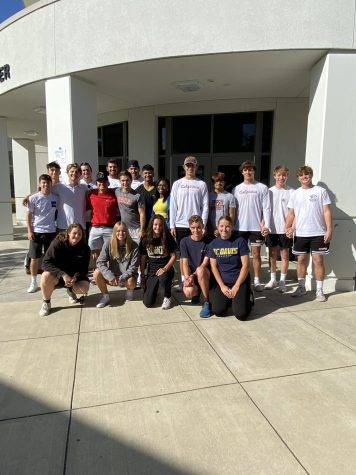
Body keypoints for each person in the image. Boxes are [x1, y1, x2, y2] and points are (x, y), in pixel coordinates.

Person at [285, 165, 333, 301]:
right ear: (298, 177)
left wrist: (329, 229)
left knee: (318, 260)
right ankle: (301, 287)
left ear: (311, 175)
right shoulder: (295, 194)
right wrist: (288, 228)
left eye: (306, 174)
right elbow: (291, 213)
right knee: (301, 260)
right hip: (300, 233)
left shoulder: (321, 191)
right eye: (301, 175)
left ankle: (319, 290)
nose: (304, 177)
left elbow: (327, 211)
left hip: (318, 232)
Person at [232, 160, 271, 291]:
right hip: (240, 227)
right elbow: (233, 209)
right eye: (245, 170)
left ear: (254, 171)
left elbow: (266, 208)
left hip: (256, 227)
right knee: (240, 256)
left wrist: (266, 225)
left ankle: (257, 281)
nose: (248, 172)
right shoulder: (236, 189)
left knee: (256, 255)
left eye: (250, 169)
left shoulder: (262, 188)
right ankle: (240, 280)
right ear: (242, 172)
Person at [39, 223, 90, 317]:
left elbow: (84, 269)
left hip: (73, 278)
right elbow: (45, 263)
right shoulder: (57, 243)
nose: (77, 236)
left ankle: (71, 292)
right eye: (74, 233)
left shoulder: (85, 248)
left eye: (80, 234)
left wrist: (75, 277)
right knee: (45, 276)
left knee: (84, 287)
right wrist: (62, 274)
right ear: (68, 233)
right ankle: (46, 303)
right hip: (57, 276)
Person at [208, 216, 253, 320]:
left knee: (241, 315)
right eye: (221, 226)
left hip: (240, 281)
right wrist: (222, 286)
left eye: (227, 226)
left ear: (232, 227)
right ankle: (230, 300)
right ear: (217, 227)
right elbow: (214, 267)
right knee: (218, 311)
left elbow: (246, 266)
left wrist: (237, 286)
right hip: (224, 282)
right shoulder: (213, 244)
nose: (224, 229)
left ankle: (249, 298)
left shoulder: (240, 241)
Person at [94, 222, 139, 308]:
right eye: (118, 231)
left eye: (124, 231)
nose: (121, 233)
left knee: (131, 282)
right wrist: (109, 275)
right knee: (96, 273)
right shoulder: (108, 244)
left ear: (127, 232)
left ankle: (129, 291)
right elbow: (100, 262)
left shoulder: (134, 245)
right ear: (114, 232)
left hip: (127, 277)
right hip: (112, 277)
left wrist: (123, 277)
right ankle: (105, 297)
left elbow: (134, 266)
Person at [264, 165, 294, 292]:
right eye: (279, 175)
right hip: (271, 228)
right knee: (271, 254)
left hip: (284, 229)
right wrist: (264, 225)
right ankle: (272, 279)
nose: (281, 177)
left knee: (284, 254)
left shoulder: (292, 192)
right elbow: (264, 210)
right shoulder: (269, 191)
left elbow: (294, 212)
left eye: (284, 175)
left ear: (287, 176)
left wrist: (291, 227)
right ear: (274, 175)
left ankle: (282, 281)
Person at [26, 174, 57, 293]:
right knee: (34, 258)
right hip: (36, 232)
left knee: (50, 258)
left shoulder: (55, 198)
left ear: (51, 184)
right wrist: (29, 230)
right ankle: (33, 282)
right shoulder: (33, 198)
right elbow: (28, 214)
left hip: (51, 231)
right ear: (40, 184)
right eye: (43, 183)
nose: (45, 185)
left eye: (48, 183)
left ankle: (50, 279)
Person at [140, 215, 177, 309]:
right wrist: (143, 275)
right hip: (152, 270)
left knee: (164, 278)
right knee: (148, 303)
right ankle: (154, 290)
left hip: (165, 268)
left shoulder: (168, 237)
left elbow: (173, 256)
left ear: (163, 226)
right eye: (155, 224)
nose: (158, 227)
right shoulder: (145, 239)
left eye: (160, 225)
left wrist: (165, 268)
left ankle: (167, 296)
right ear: (151, 225)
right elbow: (143, 259)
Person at [170, 156, 209, 243]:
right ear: (184, 167)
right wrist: (172, 225)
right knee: (182, 253)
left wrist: (203, 225)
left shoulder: (202, 184)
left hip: (196, 225)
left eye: (192, 165)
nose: (190, 168)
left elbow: (205, 207)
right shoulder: (177, 184)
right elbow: (173, 206)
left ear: (196, 167)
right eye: (188, 166)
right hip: (180, 224)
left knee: (197, 253)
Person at [180, 215, 212, 318]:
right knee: (189, 293)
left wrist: (192, 276)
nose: (196, 230)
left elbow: (205, 263)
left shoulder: (209, 241)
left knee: (200, 269)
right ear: (189, 228)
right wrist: (187, 278)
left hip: (205, 274)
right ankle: (196, 293)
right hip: (193, 275)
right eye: (193, 227)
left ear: (203, 226)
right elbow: (184, 262)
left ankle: (206, 302)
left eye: (198, 227)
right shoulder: (184, 242)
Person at [87, 172, 118, 261]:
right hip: (95, 227)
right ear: (96, 183)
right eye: (99, 182)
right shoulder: (91, 194)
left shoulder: (114, 194)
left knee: (110, 252)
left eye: (104, 181)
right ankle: (97, 272)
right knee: (94, 252)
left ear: (108, 183)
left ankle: (108, 273)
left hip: (109, 228)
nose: (102, 184)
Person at [52, 163, 88, 232]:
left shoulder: (84, 188)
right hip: (63, 226)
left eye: (76, 172)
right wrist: (29, 196)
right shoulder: (59, 187)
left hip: (80, 227)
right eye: (72, 171)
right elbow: (44, 192)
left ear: (80, 174)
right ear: (67, 173)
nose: (74, 173)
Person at [115, 171, 145, 243]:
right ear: (119, 181)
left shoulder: (137, 195)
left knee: (136, 251)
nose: (125, 183)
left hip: (135, 229)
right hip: (123, 229)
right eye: (123, 180)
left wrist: (142, 230)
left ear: (131, 180)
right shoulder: (117, 191)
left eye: (127, 180)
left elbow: (142, 213)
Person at [208, 172, 236, 236]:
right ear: (213, 183)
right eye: (216, 181)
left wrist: (225, 228)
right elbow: (207, 213)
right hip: (211, 230)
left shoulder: (230, 196)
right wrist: (211, 229)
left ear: (224, 182)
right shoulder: (208, 196)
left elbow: (232, 215)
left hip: (225, 230)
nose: (219, 183)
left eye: (221, 181)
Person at [137, 164, 158, 230]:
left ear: (153, 174)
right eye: (145, 173)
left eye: (150, 173)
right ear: (142, 174)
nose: (148, 175)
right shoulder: (138, 190)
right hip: (142, 223)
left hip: (156, 223)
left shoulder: (158, 189)